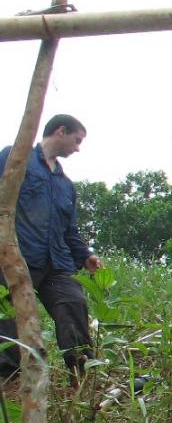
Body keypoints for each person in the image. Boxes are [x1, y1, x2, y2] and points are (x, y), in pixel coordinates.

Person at [0, 114, 101, 379]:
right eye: (77, 140)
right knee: (9, 313)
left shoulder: (66, 185)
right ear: (60, 131)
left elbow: (70, 231)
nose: (78, 148)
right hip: (17, 256)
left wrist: (85, 255)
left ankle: (82, 372)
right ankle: (9, 377)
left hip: (57, 263)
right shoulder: (15, 157)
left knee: (73, 303)